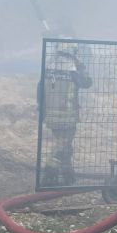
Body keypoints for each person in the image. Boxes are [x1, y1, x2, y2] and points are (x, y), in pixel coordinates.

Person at [37, 41, 92, 187]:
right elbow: (87, 83)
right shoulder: (72, 67)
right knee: (63, 144)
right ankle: (50, 173)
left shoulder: (49, 63)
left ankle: (68, 175)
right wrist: (82, 67)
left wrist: (41, 109)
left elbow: (40, 87)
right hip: (67, 114)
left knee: (63, 144)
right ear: (71, 50)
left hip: (51, 113)